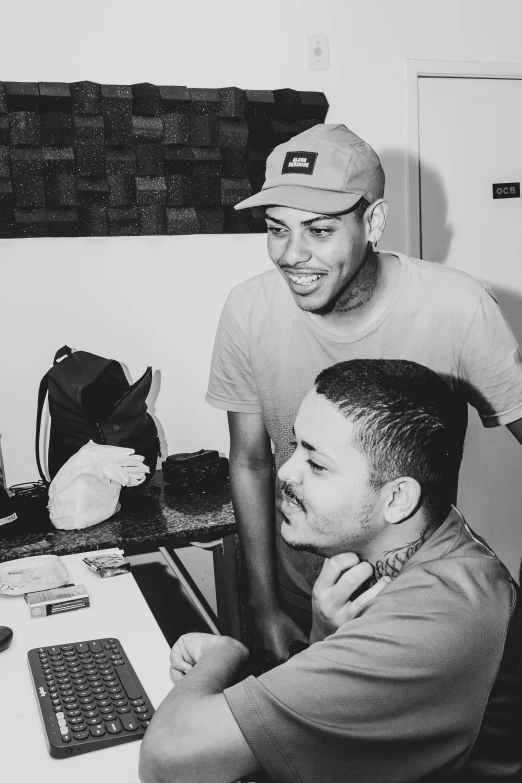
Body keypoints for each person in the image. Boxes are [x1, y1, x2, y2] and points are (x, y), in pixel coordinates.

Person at [205, 123, 522, 662]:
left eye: (320, 230)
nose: (291, 254)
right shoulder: (248, 310)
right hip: (301, 598)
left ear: (373, 222)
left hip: (421, 608)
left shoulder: (458, 308)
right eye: (277, 228)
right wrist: (263, 605)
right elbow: (252, 461)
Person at [139, 360, 522, 783]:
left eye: (317, 464)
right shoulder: (434, 540)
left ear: (398, 499)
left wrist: (226, 654)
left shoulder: (437, 618)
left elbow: (168, 759)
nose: (285, 471)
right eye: (294, 445)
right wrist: (325, 635)